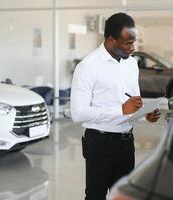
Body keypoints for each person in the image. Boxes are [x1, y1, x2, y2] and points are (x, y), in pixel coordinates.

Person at [70, 13, 160, 200]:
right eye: (128, 43)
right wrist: (120, 110)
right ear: (111, 40)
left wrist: (145, 115)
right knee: (96, 196)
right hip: (99, 144)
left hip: (126, 142)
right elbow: (77, 113)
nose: (132, 48)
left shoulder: (131, 65)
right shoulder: (88, 66)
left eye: (133, 42)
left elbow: (133, 104)